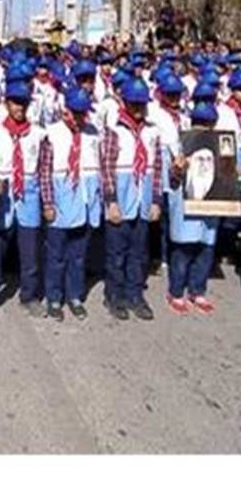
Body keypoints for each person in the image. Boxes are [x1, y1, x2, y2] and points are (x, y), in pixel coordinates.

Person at [38, 87, 104, 321]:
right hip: (61, 200)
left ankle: (74, 295)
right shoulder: (52, 134)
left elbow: (100, 167)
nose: (79, 118)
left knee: (78, 255)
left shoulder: (93, 133)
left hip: (86, 201)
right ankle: (54, 297)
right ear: (65, 111)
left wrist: (100, 201)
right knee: (56, 255)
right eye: (75, 113)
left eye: (83, 113)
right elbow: (44, 172)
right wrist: (48, 203)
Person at [101, 78, 163, 321]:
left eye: (142, 104)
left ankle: (135, 294)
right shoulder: (114, 131)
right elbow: (107, 168)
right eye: (133, 103)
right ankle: (114, 295)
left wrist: (156, 200)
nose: (138, 108)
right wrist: (111, 201)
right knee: (116, 253)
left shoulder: (152, 131)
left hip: (142, 200)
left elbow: (157, 168)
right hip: (121, 201)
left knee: (139, 253)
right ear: (124, 103)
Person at [0, 80, 46, 319]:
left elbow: (44, 167)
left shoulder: (38, 134)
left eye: (23, 103)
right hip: (3, 193)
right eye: (15, 102)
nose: (19, 107)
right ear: (6, 104)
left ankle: (29, 296)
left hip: (29, 191)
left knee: (30, 250)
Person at [164, 102, 222, 315]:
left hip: (211, 206)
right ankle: (176, 292)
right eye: (200, 123)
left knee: (205, 250)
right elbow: (170, 181)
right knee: (183, 251)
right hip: (186, 207)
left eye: (208, 124)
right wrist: (177, 170)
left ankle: (197, 291)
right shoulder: (179, 144)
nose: (204, 128)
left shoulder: (219, 144)